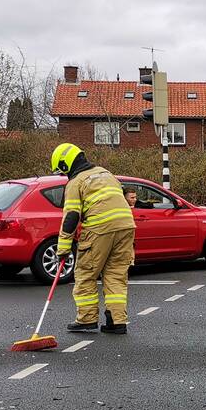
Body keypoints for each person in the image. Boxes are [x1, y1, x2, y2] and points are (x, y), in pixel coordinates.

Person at [51, 143, 136, 334]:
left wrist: (63, 249)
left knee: (85, 273)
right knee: (115, 275)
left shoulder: (76, 182)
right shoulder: (106, 174)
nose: (64, 175)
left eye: (62, 171)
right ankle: (117, 321)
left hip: (99, 228)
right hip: (126, 226)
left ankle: (87, 318)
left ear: (65, 165)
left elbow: (71, 217)